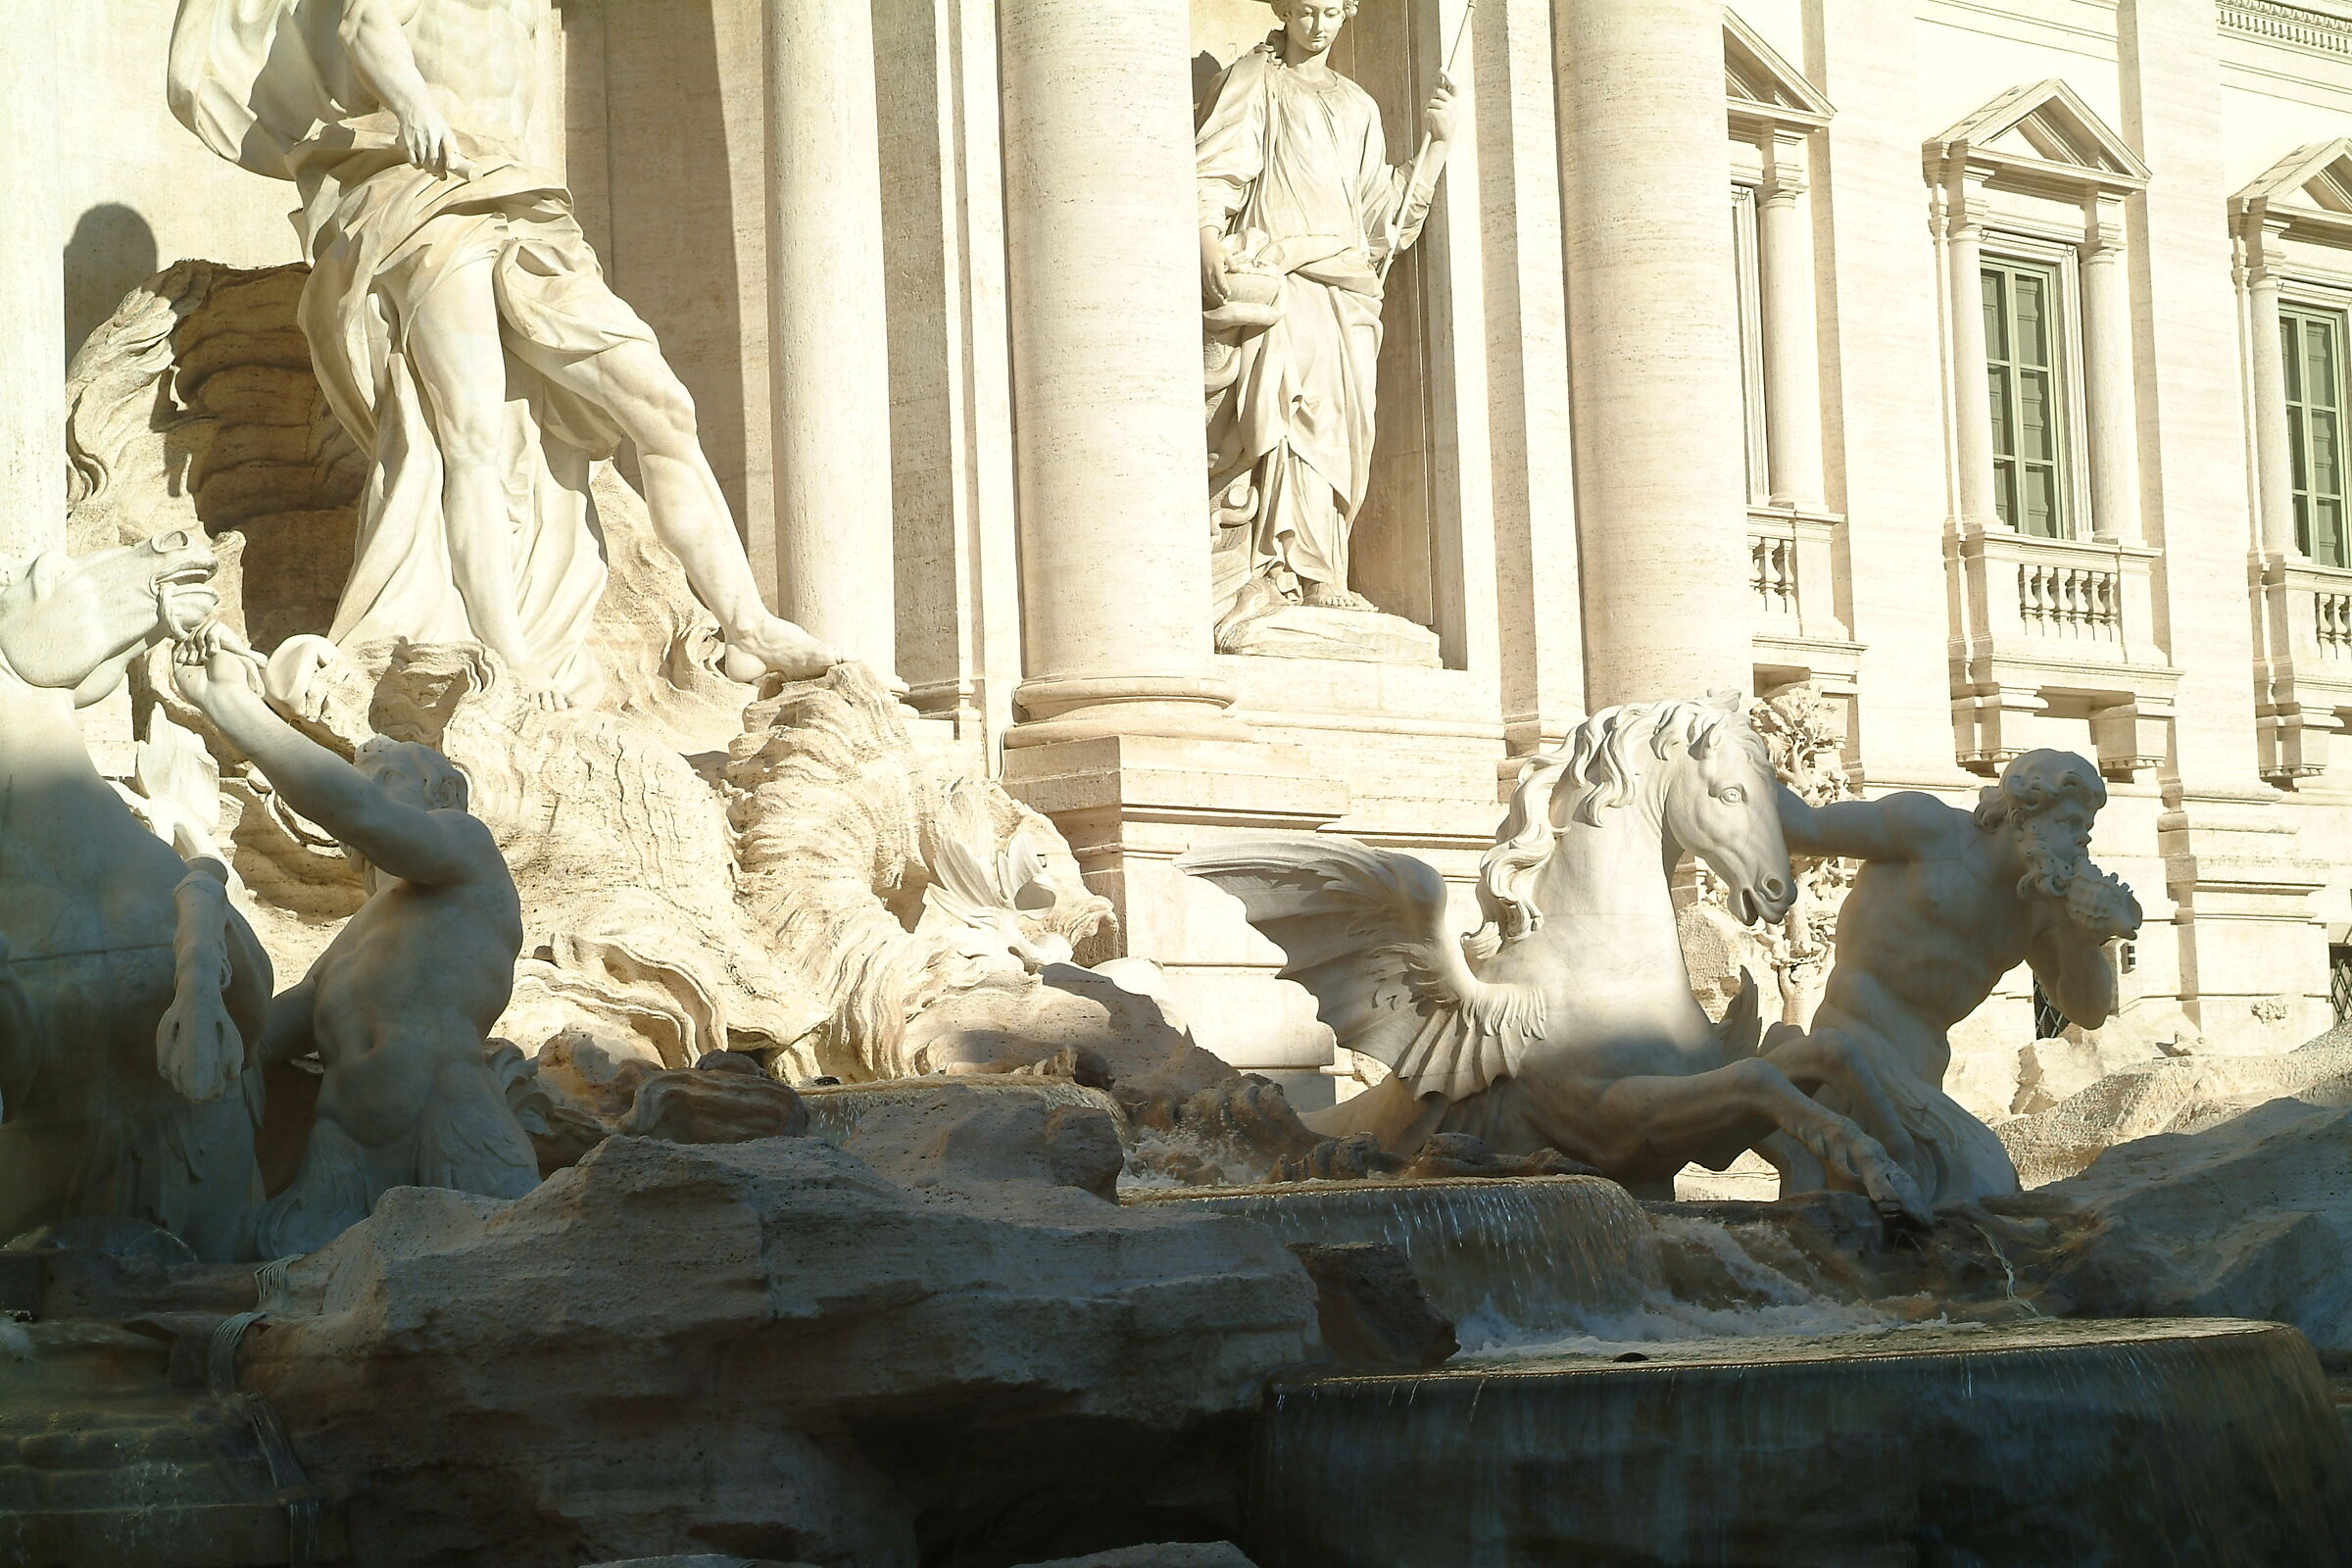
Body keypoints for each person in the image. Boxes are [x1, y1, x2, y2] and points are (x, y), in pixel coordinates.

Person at [170, 0, 837, 708]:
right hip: (423, 200)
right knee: (472, 436)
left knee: (664, 407)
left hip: (521, 203)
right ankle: (507, 653)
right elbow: (363, 23)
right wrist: (414, 105)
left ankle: (746, 625)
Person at [172, 623, 539, 1254]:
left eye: (383, 776)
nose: (363, 791)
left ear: (440, 793)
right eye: (358, 779)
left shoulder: (467, 850)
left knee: (498, 1278)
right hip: (339, 1158)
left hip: (448, 1129)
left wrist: (229, 706)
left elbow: (353, 810)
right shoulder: (354, 940)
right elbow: (256, 1040)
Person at [1775, 749, 2143, 1206]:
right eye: (2070, 823)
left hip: (1923, 1070)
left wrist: (2082, 938)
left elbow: (2088, 1012)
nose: (2082, 840)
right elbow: (1804, 828)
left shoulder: (2039, 908)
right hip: (1851, 1040)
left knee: (1911, 1210)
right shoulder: (1928, 830)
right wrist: (1734, 763)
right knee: (1975, 1186)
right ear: (2022, 814)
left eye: (2086, 828)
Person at [1196, 0, 1455, 631]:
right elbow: (1218, 167)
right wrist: (1206, 233)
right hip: (1285, 274)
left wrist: (1437, 147)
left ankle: (1325, 565)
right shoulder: (1255, 78)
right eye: (1308, 11)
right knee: (1294, 412)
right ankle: (1284, 568)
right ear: (1286, 12)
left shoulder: (1360, 105)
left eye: (1333, 12)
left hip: (1347, 286)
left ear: (1349, 14)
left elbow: (1380, 218)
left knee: (1341, 426)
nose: (1319, 26)